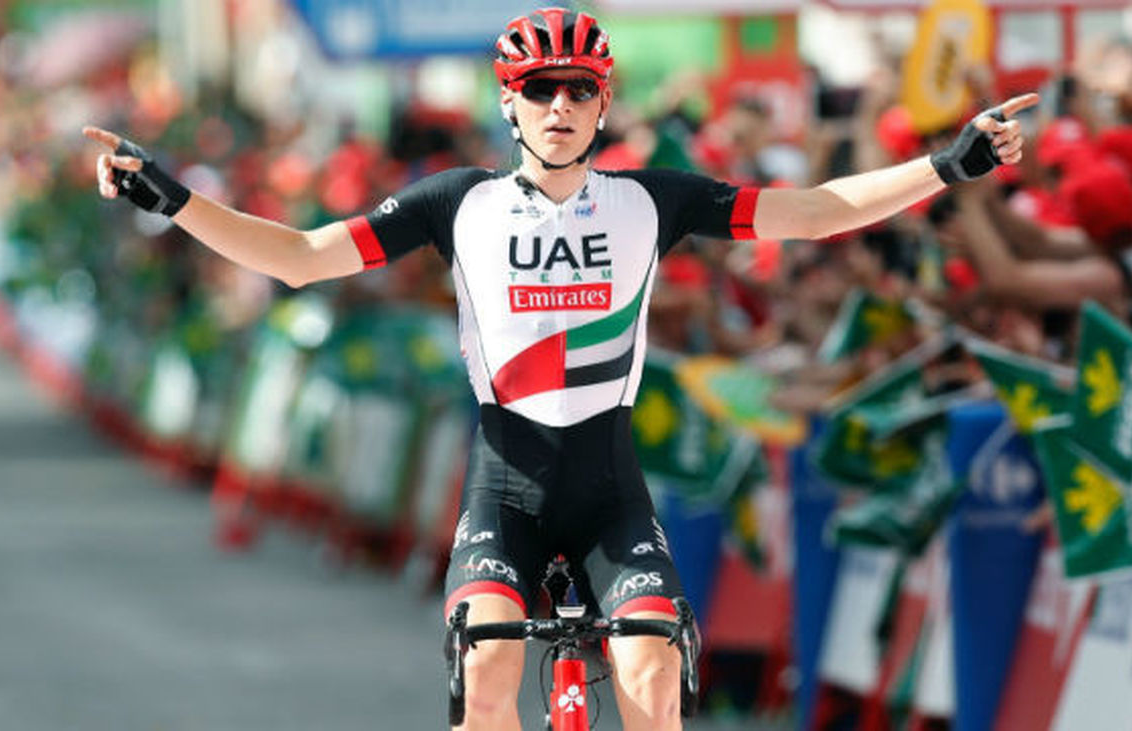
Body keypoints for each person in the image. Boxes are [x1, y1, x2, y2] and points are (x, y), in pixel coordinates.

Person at [85, 9, 1034, 729]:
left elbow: (818, 209)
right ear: (509, 101)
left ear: (604, 103)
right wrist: (169, 195)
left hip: (610, 487)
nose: (561, 107)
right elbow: (297, 255)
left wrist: (948, 167)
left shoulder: (650, 201)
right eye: (541, 89)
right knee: (491, 664)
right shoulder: (457, 203)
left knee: (655, 672)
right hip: (506, 485)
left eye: (580, 89)